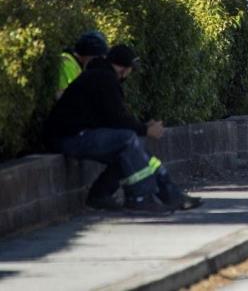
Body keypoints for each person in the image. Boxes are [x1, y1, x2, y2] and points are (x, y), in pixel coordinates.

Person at [44, 44, 201, 213]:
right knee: (129, 141)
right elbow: (118, 119)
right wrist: (146, 130)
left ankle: (167, 194)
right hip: (70, 138)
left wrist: (142, 127)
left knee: (131, 148)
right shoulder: (104, 79)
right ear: (125, 69)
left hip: (74, 136)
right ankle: (140, 197)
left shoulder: (100, 76)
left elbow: (114, 117)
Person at [56, 31, 109, 99]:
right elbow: (60, 95)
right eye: (98, 57)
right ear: (90, 54)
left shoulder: (77, 65)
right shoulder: (66, 64)